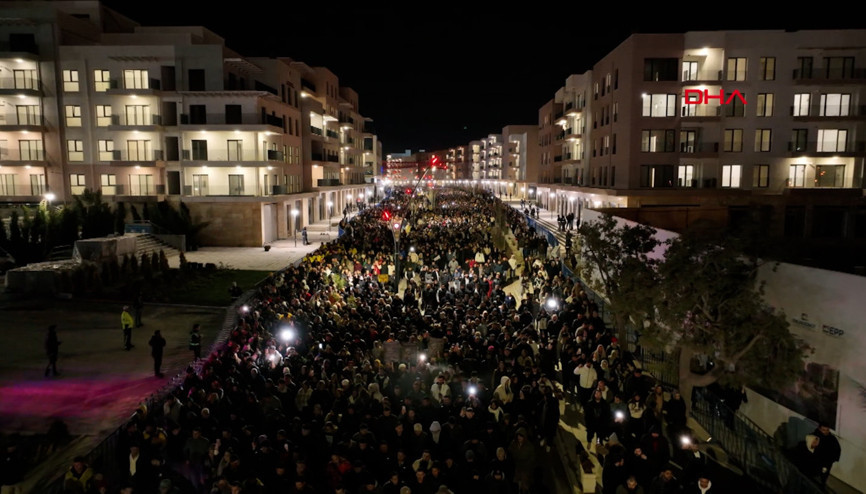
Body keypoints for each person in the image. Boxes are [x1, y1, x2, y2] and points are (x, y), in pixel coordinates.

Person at [813, 422, 841, 487]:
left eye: (827, 430)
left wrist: (832, 459)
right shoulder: (814, 436)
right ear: (819, 429)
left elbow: (837, 449)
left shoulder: (832, 438)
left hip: (826, 462)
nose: (825, 432)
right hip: (815, 461)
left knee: (823, 476)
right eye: (823, 430)